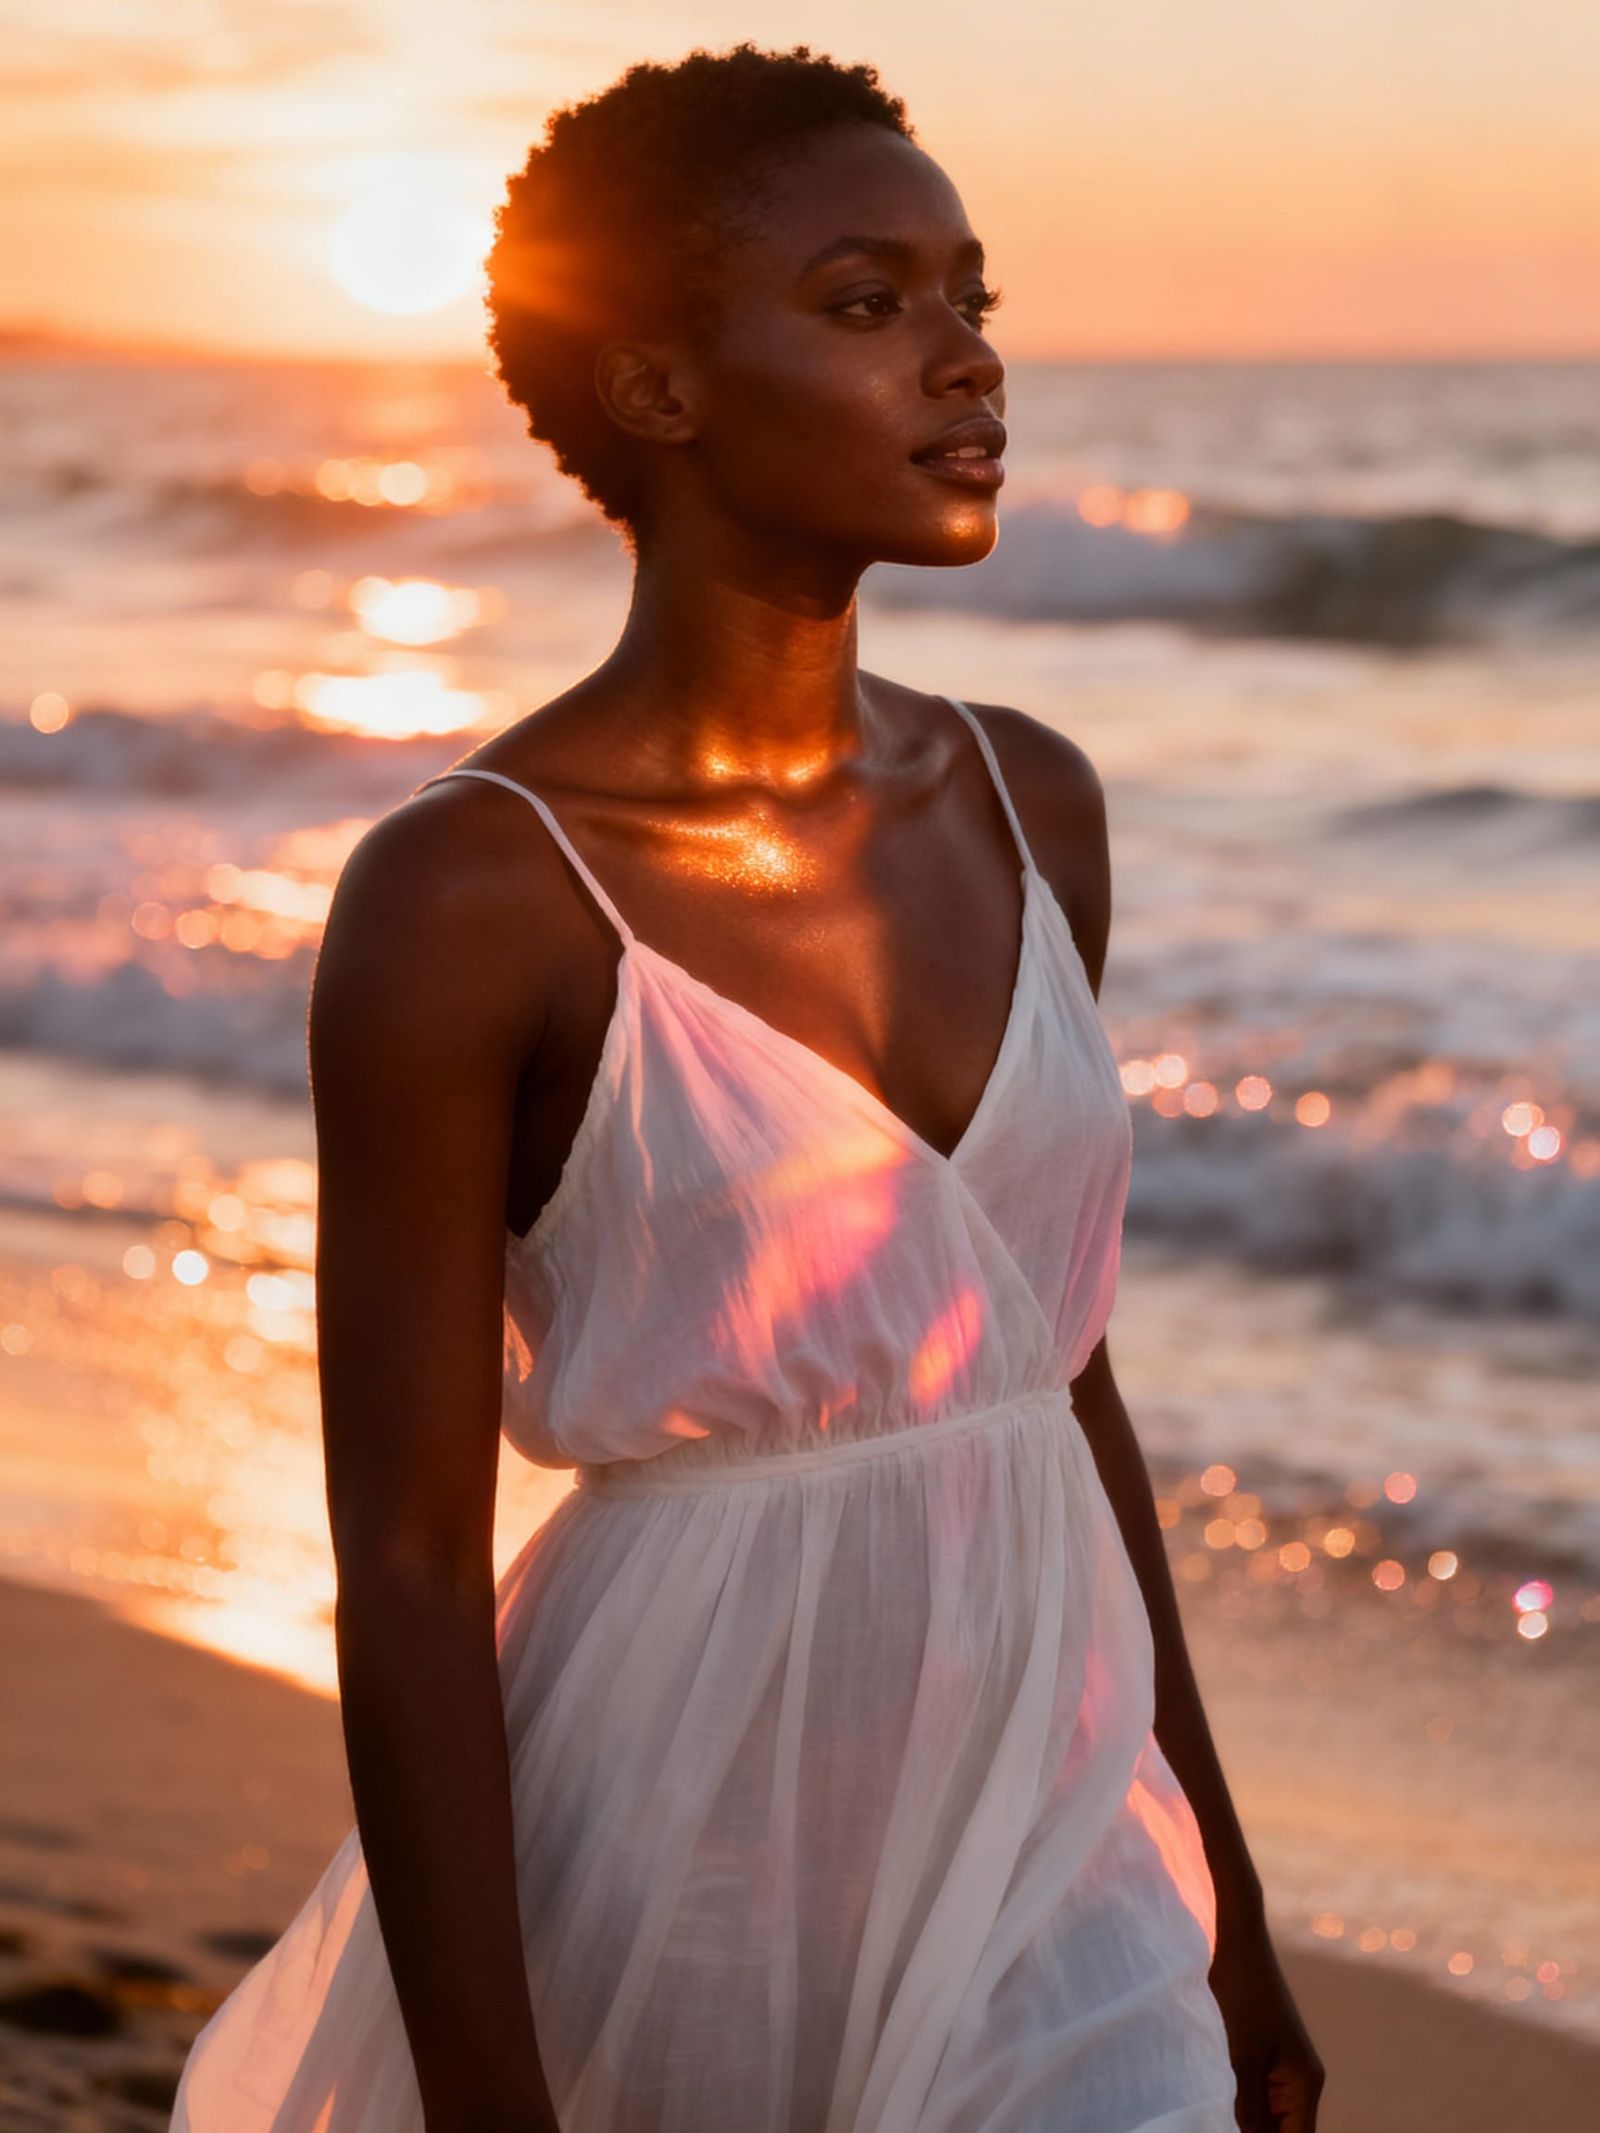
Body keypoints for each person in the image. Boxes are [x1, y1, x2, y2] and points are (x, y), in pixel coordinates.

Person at [170, 39, 1323, 2133]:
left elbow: (1058, 1373)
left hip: (1051, 1839)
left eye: (973, 296)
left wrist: (1223, 1898)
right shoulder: (466, 894)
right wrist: (491, 2101)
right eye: (868, 303)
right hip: (677, 1832)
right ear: (656, 385)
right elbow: (411, 1562)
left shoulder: (1024, 800)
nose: (965, 361)